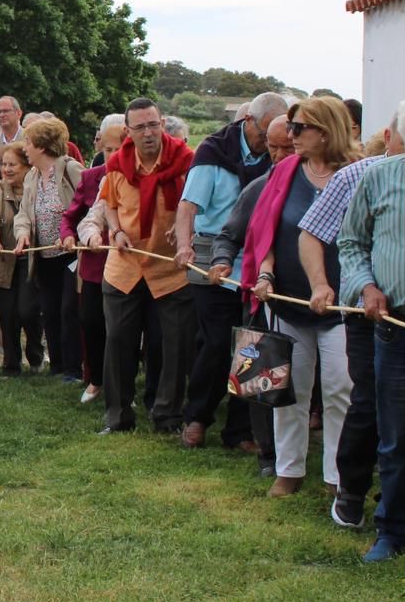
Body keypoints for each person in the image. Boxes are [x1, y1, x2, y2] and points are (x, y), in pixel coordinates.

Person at [339, 92, 405, 562]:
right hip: (398, 330)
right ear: (401, 139)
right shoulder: (377, 178)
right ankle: (394, 528)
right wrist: (366, 287)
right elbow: (350, 243)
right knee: (398, 438)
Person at [240, 97, 358, 497]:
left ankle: (337, 477)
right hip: (287, 300)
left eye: (298, 128)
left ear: (326, 132)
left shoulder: (357, 175)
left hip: (344, 305)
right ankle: (288, 470)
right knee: (288, 387)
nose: (290, 137)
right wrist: (266, 272)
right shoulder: (286, 171)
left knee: (341, 387)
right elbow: (266, 230)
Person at [302, 116, 405, 529]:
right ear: (390, 137)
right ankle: (352, 491)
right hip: (366, 313)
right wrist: (321, 285)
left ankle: (398, 498)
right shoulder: (358, 176)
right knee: (369, 399)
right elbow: (313, 233)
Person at [174, 93, 286, 450]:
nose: (270, 145)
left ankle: (241, 430)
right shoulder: (213, 150)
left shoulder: (279, 161)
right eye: (266, 135)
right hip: (212, 255)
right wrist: (184, 245)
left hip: (259, 259)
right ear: (248, 121)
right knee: (219, 341)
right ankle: (197, 417)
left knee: (253, 344)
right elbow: (188, 205)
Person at [95, 98, 195, 436]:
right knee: (119, 341)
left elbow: (198, 205)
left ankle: (167, 416)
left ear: (163, 123)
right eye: (141, 127)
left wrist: (184, 226)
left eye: (154, 124)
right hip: (124, 268)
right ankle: (118, 416)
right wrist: (117, 230)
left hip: (169, 269)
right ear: (128, 131)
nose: (149, 132)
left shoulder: (185, 163)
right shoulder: (118, 164)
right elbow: (108, 204)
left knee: (172, 345)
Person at [11, 118, 84, 383]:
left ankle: (75, 369)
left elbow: (86, 206)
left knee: (69, 310)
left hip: (71, 255)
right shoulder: (31, 176)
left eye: (28, 143)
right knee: (50, 310)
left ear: (41, 146)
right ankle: (58, 367)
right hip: (43, 257)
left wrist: (73, 235)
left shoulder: (71, 170)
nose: (25, 149)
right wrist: (22, 235)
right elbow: (23, 215)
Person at [62, 122, 127, 403]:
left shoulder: (132, 175)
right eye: (108, 148)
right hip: (93, 264)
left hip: (125, 264)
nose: (112, 155)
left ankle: (121, 384)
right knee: (90, 320)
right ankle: (95, 379)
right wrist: (69, 236)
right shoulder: (91, 177)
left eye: (118, 149)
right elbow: (72, 217)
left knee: (121, 328)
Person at [0, 143, 43, 375]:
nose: (6, 169)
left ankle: (36, 356)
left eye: (12, 164)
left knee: (28, 311)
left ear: (27, 166)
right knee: (7, 315)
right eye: (3, 164)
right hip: (3, 260)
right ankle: (11, 364)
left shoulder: (36, 188)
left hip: (30, 261)